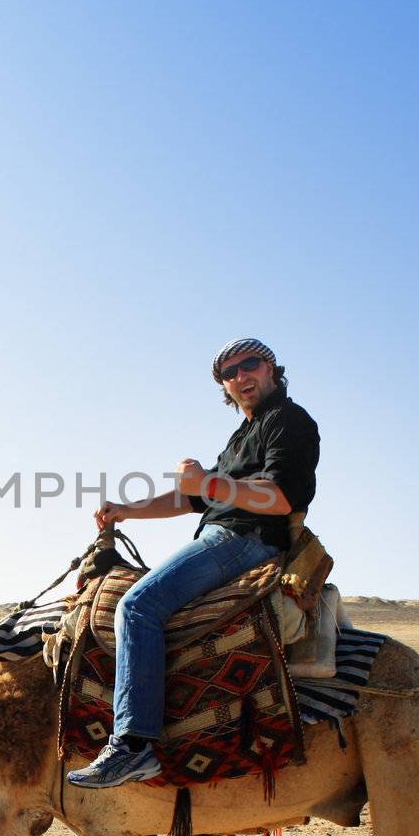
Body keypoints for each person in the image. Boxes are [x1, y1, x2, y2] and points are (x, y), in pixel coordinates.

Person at [68, 337, 321, 789]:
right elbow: (191, 499)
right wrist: (128, 509)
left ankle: (132, 744)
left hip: (247, 539)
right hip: (222, 535)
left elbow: (281, 498)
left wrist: (210, 482)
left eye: (250, 365)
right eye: (230, 373)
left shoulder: (288, 420)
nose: (241, 377)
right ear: (224, 386)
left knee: (137, 606)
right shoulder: (243, 435)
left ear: (271, 369)